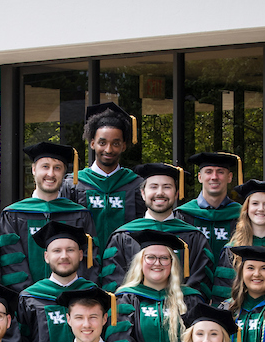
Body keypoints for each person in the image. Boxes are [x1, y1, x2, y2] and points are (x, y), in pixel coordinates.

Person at [0, 141, 99, 292]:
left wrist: (77, 297)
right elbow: (11, 263)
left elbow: (89, 261)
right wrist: (31, 299)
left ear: (64, 173)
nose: (50, 174)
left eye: (57, 168)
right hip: (27, 302)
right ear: (33, 169)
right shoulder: (13, 215)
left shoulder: (79, 214)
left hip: (75, 304)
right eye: (45, 166)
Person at [103, 163, 214, 300]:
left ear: (176, 194)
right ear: (143, 193)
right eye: (153, 187)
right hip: (135, 314)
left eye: (167, 187)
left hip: (183, 312)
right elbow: (114, 284)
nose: (160, 193)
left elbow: (201, 283)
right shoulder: (123, 236)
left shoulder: (194, 237)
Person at [60, 102, 145, 247]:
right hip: (84, 264)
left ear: (124, 146)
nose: (109, 149)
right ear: (93, 143)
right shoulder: (74, 183)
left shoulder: (136, 185)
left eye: (116, 143)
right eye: (102, 142)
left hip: (125, 264)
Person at [175, 151, 242, 263]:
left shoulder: (241, 215)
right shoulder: (183, 215)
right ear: (200, 177)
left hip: (231, 279)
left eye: (220, 172)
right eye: (208, 172)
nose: (214, 177)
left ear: (229, 177)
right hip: (193, 279)